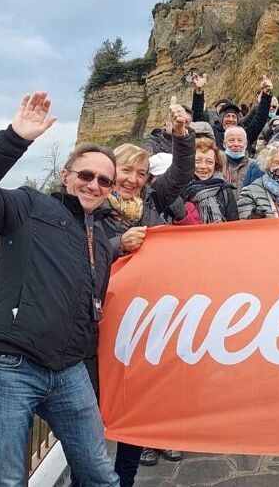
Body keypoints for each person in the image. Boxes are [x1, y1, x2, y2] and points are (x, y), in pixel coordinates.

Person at [0, 92, 120, 486]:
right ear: (66, 176)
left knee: (100, 474)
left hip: (69, 370)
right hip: (13, 367)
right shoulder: (28, 207)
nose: (94, 185)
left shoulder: (98, 235)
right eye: (86, 175)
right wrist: (15, 138)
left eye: (104, 180)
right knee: (5, 481)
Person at [84, 100, 194, 480]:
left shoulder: (152, 201)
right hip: (104, 320)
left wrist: (181, 135)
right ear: (112, 173)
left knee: (138, 398)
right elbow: (83, 256)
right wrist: (118, 246)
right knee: (100, 404)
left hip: (144, 317)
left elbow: (181, 174)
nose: (132, 179)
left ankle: (126, 475)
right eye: (126, 171)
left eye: (141, 173)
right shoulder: (92, 208)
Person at [174, 138, 238, 224]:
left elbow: (234, 223)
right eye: (198, 161)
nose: (203, 166)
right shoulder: (180, 190)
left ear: (216, 165)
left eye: (209, 162)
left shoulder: (225, 190)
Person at [237, 143, 279, 219]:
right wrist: (251, 218)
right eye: (277, 163)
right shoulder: (250, 192)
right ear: (267, 164)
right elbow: (243, 223)